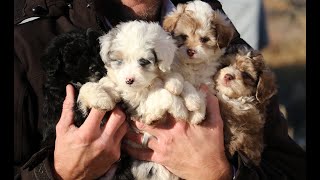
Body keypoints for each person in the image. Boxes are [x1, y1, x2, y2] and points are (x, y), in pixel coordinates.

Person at [14, 0, 306, 179]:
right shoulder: (28, 36)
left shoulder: (216, 32)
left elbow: (290, 168)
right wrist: (57, 174)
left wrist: (219, 174)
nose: (194, 47)